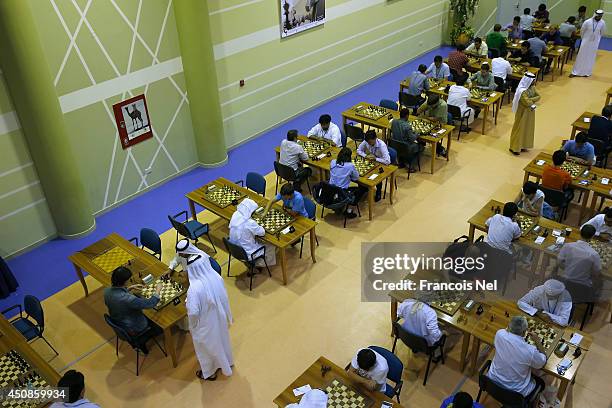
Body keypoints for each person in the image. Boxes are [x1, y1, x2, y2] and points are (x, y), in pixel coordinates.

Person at [170, 240, 233, 381]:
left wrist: (193, 325)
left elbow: (192, 313)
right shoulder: (215, 277)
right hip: (219, 316)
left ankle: (209, 373)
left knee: (206, 349)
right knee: (222, 341)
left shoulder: (194, 289)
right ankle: (227, 363)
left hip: (204, 324)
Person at [487, 316, 546, 398]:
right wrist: (537, 341)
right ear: (524, 332)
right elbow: (542, 362)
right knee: (541, 383)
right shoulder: (530, 350)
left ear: (509, 326)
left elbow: (506, 330)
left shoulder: (499, 334)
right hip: (515, 393)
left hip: (492, 382)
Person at [104, 266, 162, 340]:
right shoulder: (128, 299)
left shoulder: (107, 291)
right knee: (156, 318)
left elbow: (117, 297)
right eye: (129, 280)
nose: (129, 281)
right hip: (134, 327)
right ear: (124, 281)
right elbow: (149, 304)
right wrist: (157, 291)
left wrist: (129, 288)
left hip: (118, 320)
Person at [229, 198, 276, 266]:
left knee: (254, 238)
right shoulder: (249, 223)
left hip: (235, 250)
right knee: (272, 245)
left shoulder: (235, 215)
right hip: (248, 253)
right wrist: (257, 224)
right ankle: (258, 264)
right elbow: (262, 232)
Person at [329, 147, 366, 218]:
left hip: (330, 190)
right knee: (362, 189)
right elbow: (356, 177)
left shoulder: (333, 162)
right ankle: (348, 208)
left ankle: (339, 206)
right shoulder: (350, 166)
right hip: (342, 193)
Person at [509, 72, 539, 155]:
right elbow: (527, 102)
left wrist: (531, 99)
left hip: (530, 112)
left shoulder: (532, 88)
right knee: (519, 129)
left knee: (527, 128)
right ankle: (515, 147)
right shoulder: (521, 91)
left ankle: (523, 145)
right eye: (533, 80)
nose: (534, 82)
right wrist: (532, 99)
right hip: (522, 112)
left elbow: (539, 96)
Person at [570, 10, 606, 77]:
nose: (599, 17)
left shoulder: (602, 23)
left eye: (601, 16)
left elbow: (602, 33)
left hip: (594, 43)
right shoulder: (587, 22)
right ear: (595, 15)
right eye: (598, 16)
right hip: (585, 42)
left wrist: (596, 39)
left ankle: (587, 72)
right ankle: (575, 72)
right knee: (581, 56)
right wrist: (585, 39)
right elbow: (582, 32)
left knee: (591, 57)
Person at [357, 130, 390, 202]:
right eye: (368, 143)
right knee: (363, 173)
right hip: (372, 161)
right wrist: (366, 156)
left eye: (370, 142)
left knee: (377, 175)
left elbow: (387, 161)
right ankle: (363, 188)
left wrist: (376, 159)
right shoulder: (366, 141)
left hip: (382, 163)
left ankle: (378, 192)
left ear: (375, 138)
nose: (369, 144)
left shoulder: (382, 145)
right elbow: (359, 150)